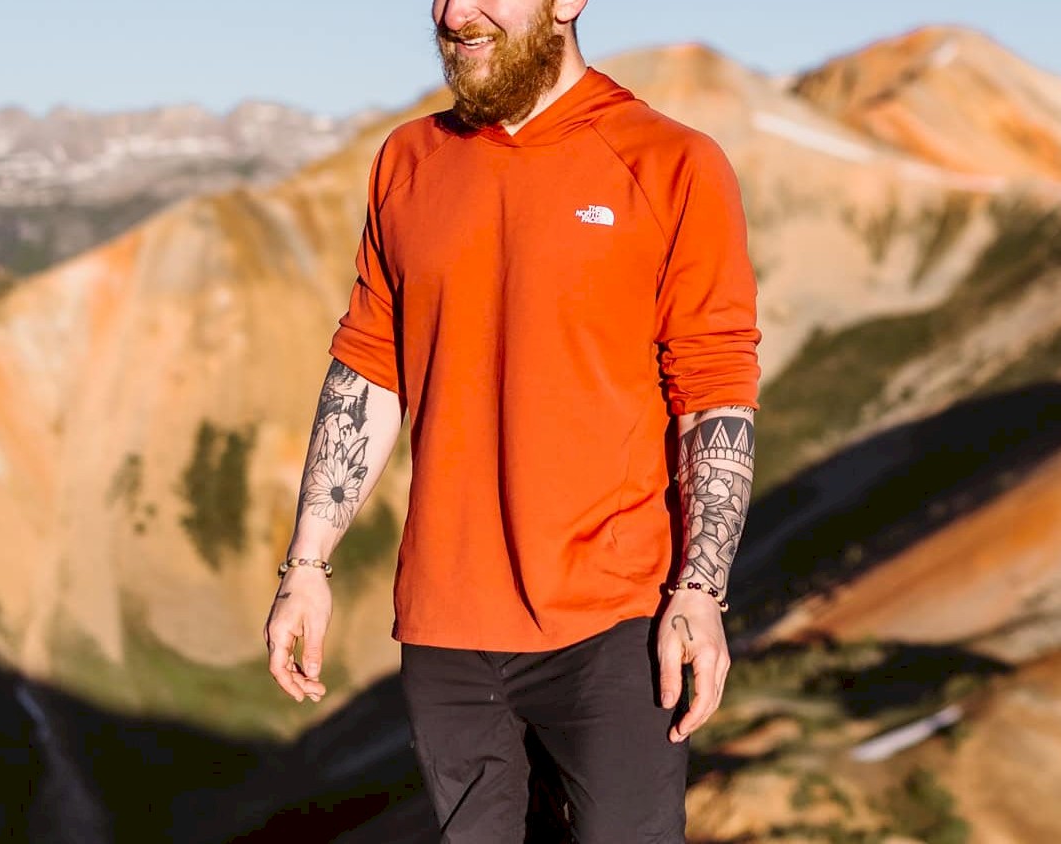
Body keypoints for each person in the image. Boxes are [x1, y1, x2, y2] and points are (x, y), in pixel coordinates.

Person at [263, 0, 760, 840]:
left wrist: (700, 589)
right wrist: (306, 564)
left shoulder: (671, 162)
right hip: (446, 636)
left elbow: (712, 391)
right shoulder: (409, 160)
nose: (456, 14)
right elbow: (370, 368)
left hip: (615, 627)